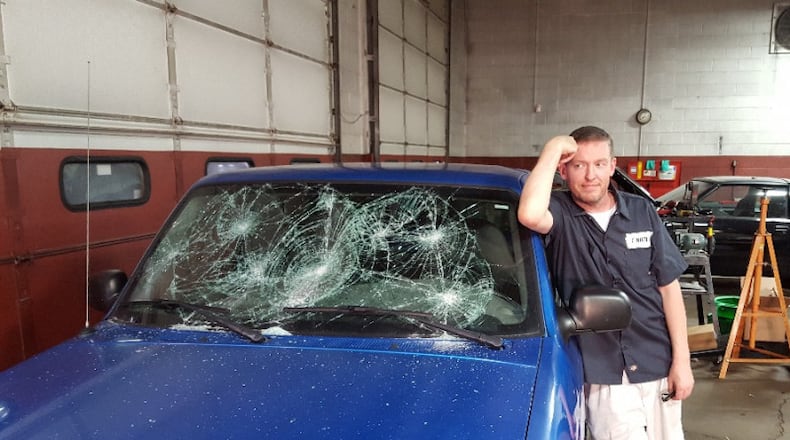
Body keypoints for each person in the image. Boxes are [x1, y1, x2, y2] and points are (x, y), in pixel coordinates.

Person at [517, 126, 694, 439]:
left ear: (613, 166)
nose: (590, 175)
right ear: (563, 170)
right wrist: (554, 146)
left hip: (657, 361)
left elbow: (669, 288)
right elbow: (530, 214)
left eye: (599, 164)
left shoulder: (641, 211)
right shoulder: (558, 213)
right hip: (603, 373)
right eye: (578, 165)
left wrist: (682, 362)